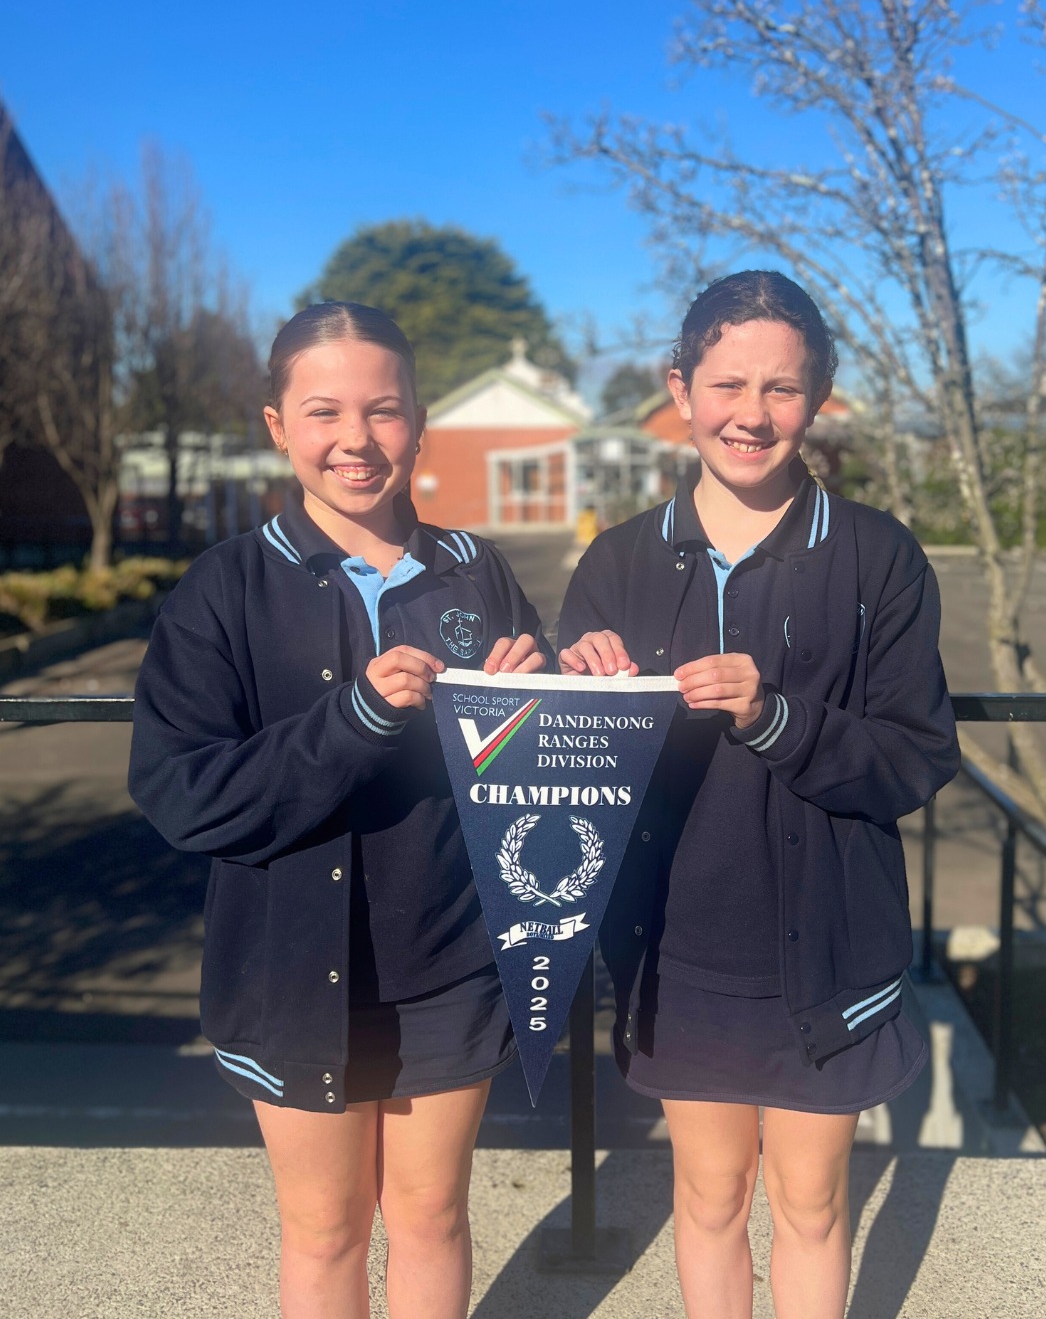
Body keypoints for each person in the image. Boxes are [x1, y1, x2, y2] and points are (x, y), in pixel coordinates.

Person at [129, 302, 552, 1319]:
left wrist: (543, 701)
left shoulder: (476, 569)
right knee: (324, 1232)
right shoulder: (222, 589)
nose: (356, 441)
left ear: (418, 422)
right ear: (277, 423)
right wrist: (355, 717)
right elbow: (182, 795)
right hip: (286, 975)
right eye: (323, 412)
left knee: (433, 1219)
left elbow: (528, 781)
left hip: (449, 962)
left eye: (385, 411)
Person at [558, 270, 959, 1319]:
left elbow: (915, 758)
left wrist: (776, 715)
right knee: (708, 1194)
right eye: (727, 383)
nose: (752, 414)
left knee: (814, 1201)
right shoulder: (614, 564)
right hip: (681, 953)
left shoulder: (879, 557)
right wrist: (571, 698)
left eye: (782, 389)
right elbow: (571, 793)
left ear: (818, 397)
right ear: (679, 388)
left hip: (827, 947)